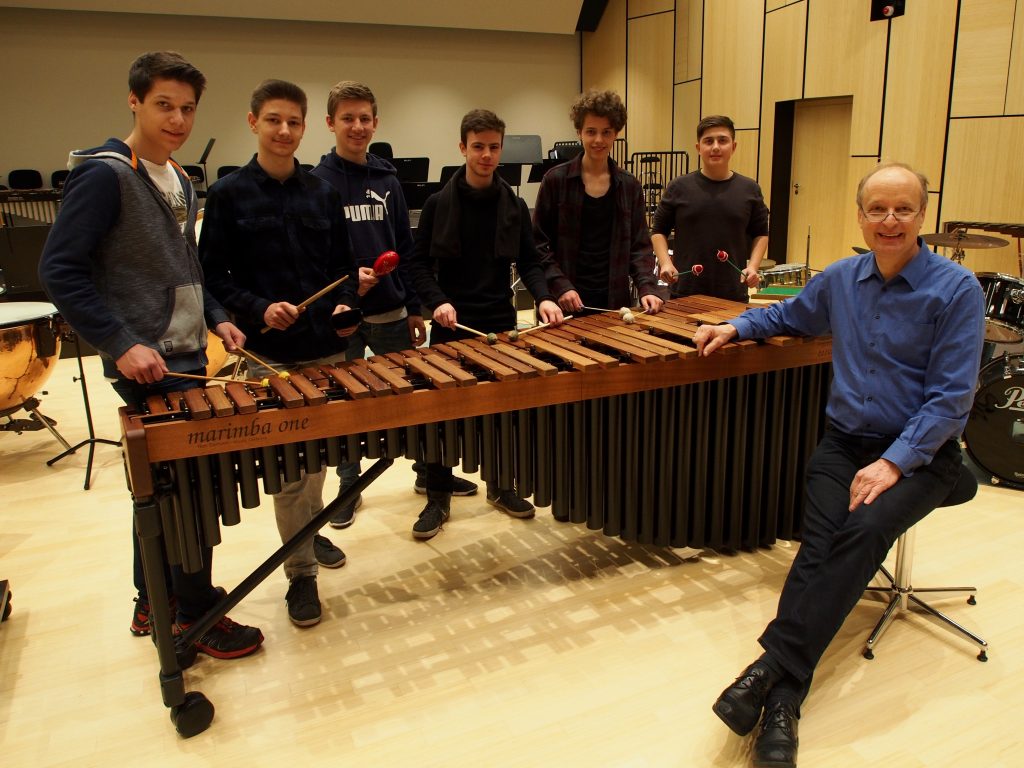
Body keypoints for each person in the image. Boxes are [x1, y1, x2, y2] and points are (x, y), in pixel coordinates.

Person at [694, 162, 984, 768]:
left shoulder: (957, 290)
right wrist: (735, 325)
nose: (889, 220)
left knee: (864, 529)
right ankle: (783, 701)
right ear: (860, 216)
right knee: (819, 545)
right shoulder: (841, 279)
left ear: (922, 215)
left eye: (902, 209)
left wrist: (894, 464)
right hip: (844, 444)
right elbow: (786, 316)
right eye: (877, 209)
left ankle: (769, 670)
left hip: (924, 455)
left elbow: (951, 400)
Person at [38, 51, 264, 658]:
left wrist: (218, 316)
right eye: (164, 105)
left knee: (162, 492)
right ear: (134, 101)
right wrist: (119, 343)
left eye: (188, 109)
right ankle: (193, 613)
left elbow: (185, 268)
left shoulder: (180, 179)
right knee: (192, 493)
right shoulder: (104, 175)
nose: (178, 120)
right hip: (150, 363)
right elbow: (59, 270)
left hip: (186, 355)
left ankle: (154, 602)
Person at [199, 79, 358, 628]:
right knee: (293, 472)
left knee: (319, 461)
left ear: (305, 126)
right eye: (273, 120)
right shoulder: (228, 195)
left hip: (324, 349)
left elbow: (343, 271)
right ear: (253, 123)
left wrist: (344, 304)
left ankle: (307, 534)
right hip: (271, 357)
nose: (284, 130)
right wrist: (260, 308)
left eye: (293, 121)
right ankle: (301, 574)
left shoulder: (322, 193)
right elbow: (212, 279)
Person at [311, 80, 478, 529]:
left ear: (375, 123)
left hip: (391, 310)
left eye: (365, 118)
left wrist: (415, 307)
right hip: (343, 316)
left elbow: (405, 247)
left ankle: (426, 473)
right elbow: (316, 255)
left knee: (411, 398)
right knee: (345, 404)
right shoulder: (318, 183)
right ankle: (349, 485)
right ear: (330, 123)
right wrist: (348, 282)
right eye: (348, 118)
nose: (357, 126)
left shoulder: (387, 181)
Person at [407, 108, 564, 539]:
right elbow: (417, 265)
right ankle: (437, 496)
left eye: (494, 147)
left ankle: (500, 486)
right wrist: (436, 302)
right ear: (463, 147)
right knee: (441, 418)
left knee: (502, 416)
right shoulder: (438, 204)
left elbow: (530, 261)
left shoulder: (513, 204)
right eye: (478, 146)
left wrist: (545, 297)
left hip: (499, 323)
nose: (487, 155)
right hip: (451, 325)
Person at [533, 89, 663, 316]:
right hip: (563, 304)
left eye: (606, 132)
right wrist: (559, 285)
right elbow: (538, 244)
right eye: (591, 131)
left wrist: (647, 288)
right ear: (579, 132)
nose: (599, 140)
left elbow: (640, 247)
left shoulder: (629, 185)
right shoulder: (555, 180)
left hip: (614, 303)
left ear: (616, 133)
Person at [652, 115, 768, 303]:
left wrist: (753, 266)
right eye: (708, 141)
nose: (715, 147)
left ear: (733, 146)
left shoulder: (750, 189)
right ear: (698, 148)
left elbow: (761, 233)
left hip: (733, 292)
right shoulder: (678, 187)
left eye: (722, 140)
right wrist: (665, 262)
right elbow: (658, 230)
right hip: (685, 291)